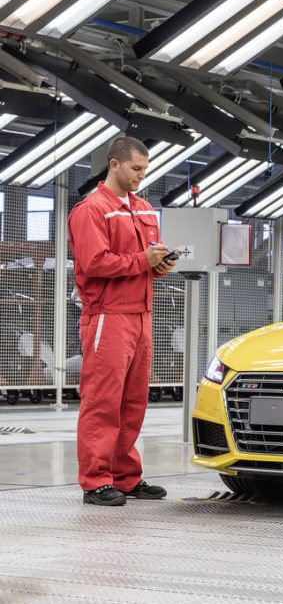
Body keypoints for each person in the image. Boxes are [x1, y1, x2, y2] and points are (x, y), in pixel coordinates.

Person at [68, 136, 176, 506]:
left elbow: (142, 261)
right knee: (103, 401)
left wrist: (158, 265)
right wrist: (143, 261)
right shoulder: (91, 210)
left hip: (141, 316)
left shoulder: (143, 209)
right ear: (114, 164)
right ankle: (96, 481)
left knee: (133, 402)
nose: (141, 175)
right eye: (135, 168)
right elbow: (94, 263)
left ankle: (125, 477)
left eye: (145, 169)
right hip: (108, 316)